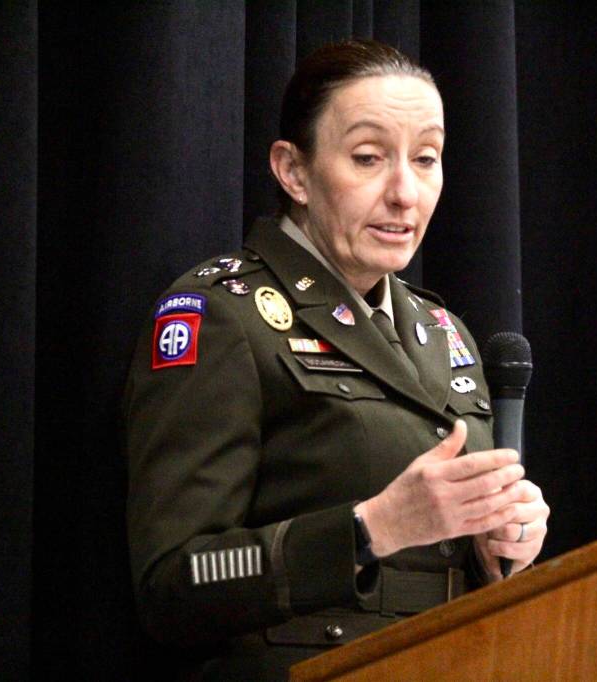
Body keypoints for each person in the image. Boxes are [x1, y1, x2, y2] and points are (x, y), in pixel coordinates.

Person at [124, 39, 550, 680]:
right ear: (294, 172)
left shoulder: (445, 333)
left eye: (426, 158)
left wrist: (499, 550)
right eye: (369, 158)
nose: (406, 193)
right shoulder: (221, 315)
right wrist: (368, 528)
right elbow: (174, 584)